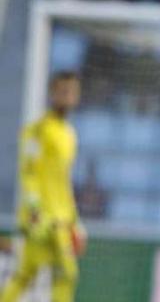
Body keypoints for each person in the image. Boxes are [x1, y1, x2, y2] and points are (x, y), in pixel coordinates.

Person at [1, 72, 87, 302]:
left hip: (61, 219)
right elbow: (28, 173)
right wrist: (34, 209)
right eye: (63, 92)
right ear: (52, 94)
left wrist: (75, 221)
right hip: (39, 218)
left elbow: (64, 182)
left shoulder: (69, 134)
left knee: (51, 274)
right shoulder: (37, 130)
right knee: (45, 274)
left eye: (72, 92)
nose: (68, 97)